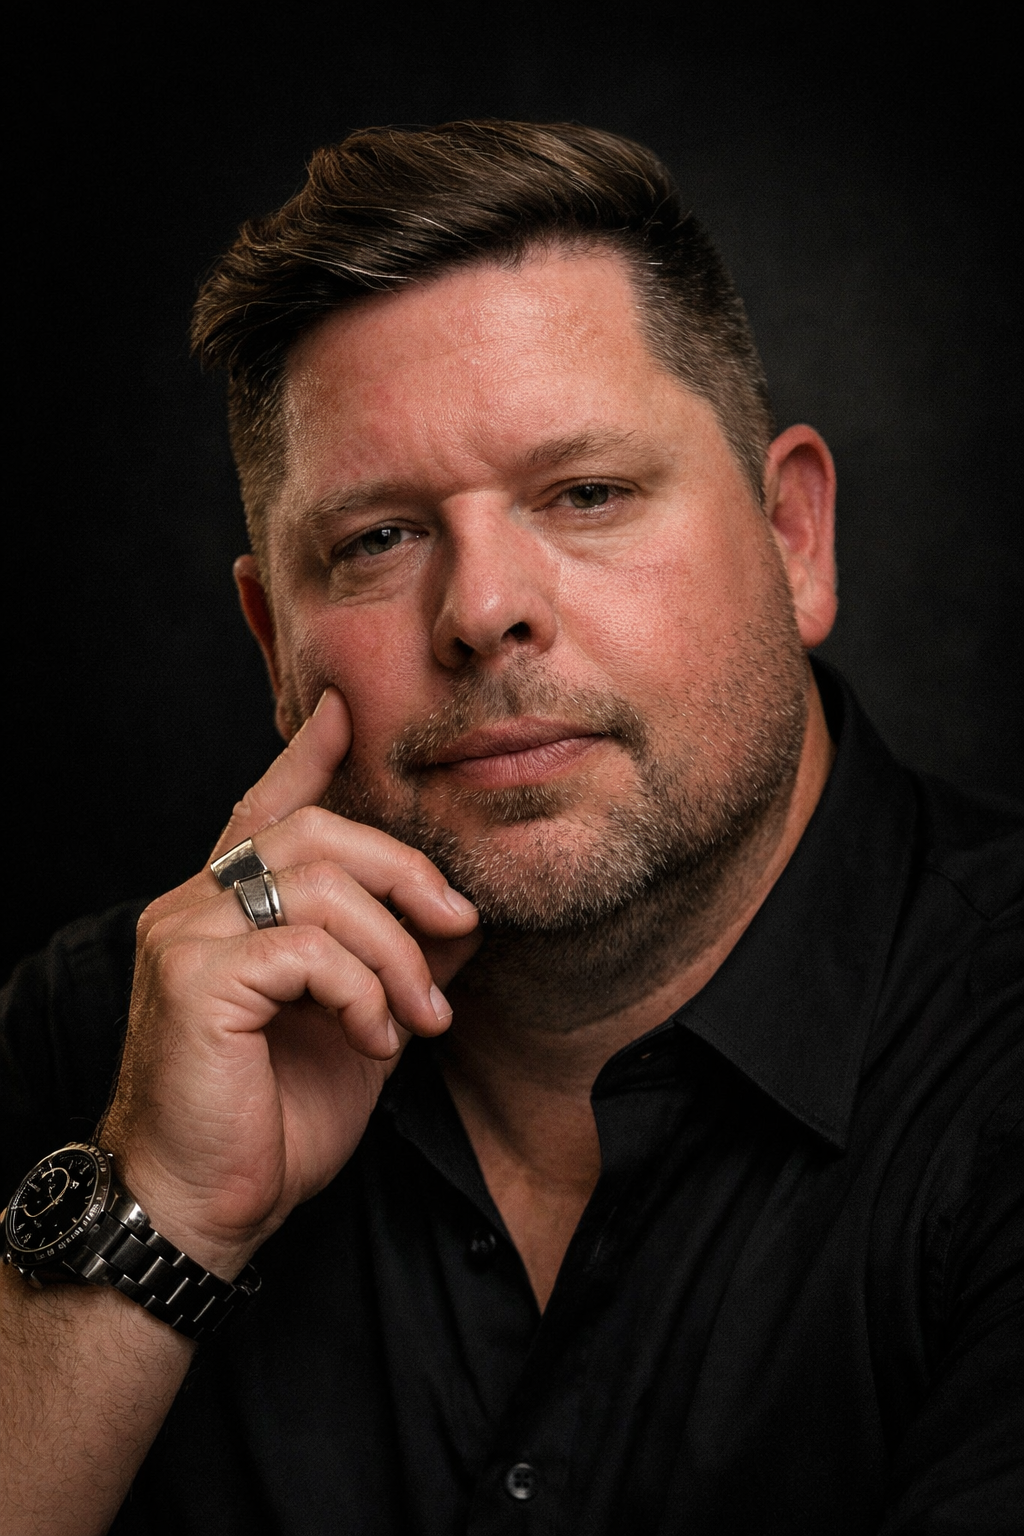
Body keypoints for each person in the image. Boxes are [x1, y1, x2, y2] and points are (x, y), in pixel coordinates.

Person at [1, 121, 1020, 1536]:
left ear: (796, 538)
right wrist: (153, 1217)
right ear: (271, 643)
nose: (482, 611)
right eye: (377, 541)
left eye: (585, 494)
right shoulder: (97, 1046)